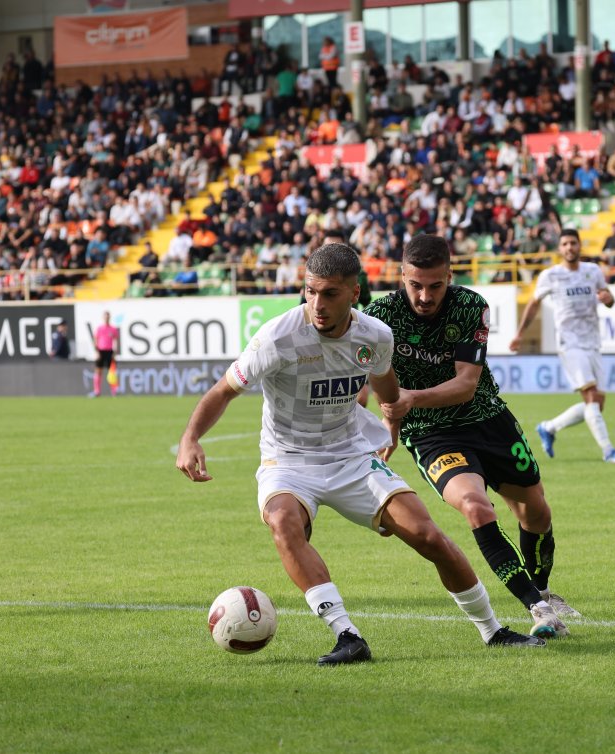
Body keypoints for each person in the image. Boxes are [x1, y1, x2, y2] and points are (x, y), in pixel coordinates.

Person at [175, 244, 542, 665]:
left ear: (354, 291)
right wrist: (190, 438)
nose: (317, 303)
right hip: (288, 460)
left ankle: (492, 631)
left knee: (427, 535)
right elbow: (223, 391)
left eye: (330, 294)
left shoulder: (374, 335)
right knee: (284, 523)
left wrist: (393, 424)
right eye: (311, 292)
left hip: (351, 455)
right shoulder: (277, 337)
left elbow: (386, 383)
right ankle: (347, 635)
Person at [363, 235, 575, 640]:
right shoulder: (379, 317)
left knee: (536, 512)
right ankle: (539, 606)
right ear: (401, 276)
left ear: (450, 276)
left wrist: (408, 399)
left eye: (435, 285)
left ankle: (542, 585)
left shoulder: (471, 306)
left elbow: (465, 384)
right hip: (430, 433)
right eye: (416, 285)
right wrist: (390, 425)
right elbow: (380, 378)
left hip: (488, 419)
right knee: (476, 507)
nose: (425, 296)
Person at [508, 229, 615, 464]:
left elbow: (608, 297)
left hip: (593, 342)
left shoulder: (592, 271)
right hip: (569, 342)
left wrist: (608, 298)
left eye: (573, 243)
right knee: (591, 397)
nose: (569, 248)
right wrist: (520, 335)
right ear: (559, 248)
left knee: (596, 405)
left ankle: (549, 427)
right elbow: (534, 304)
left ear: (580, 246)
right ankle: (608, 451)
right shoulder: (551, 276)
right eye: (564, 244)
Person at [90, 311, 120, 398]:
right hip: (101, 351)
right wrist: (97, 352)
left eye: (108, 316)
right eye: (105, 316)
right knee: (98, 371)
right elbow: (95, 340)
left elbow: (116, 341)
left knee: (111, 372)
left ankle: (114, 391)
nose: (106, 318)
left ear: (109, 317)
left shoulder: (113, 329)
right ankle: (97, 391)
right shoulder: (100, 328)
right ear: (103, 317)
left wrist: (115, 352)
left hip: (109, 352)